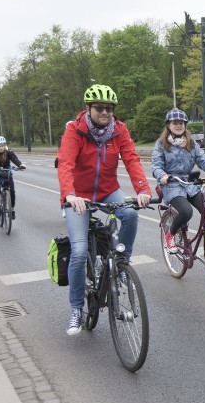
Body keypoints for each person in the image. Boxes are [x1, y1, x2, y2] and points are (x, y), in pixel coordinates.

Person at [57, 83, 151, 336]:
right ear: (88, 108)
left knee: (130, 213)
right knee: (78, 251)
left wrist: (143, 190)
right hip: (79, 196)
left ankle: (122, 263)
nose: (105, 112)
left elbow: (131, 159)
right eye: (100, 108)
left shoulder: (119, 130)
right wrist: (70, 195)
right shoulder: (74, 131)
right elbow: (65, 163)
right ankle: (76, 308)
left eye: (109, 108)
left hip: (109, 189)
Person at [151, 108, 205, 252]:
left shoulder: (191, 143)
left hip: (190, 184)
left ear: (185, 125)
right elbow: (156, 166)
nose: (178, 125)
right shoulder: (161, 144)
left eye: (181, 123)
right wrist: (162, 176)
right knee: (186, 212)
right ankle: (170, 235)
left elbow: (204, 161)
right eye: (175, 123)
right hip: (172, 185)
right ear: (168, 125)